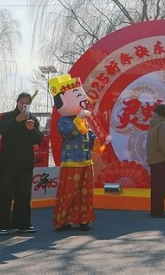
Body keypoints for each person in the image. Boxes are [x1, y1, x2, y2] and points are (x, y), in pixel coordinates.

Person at [49, 73, 108, 232]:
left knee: (85, 193)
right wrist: (78, 120)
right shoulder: (64, 121)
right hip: (71, 162)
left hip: (86, 161)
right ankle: (64, 220)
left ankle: (84, 220)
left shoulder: (82, 119)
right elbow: (68, 133)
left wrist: (99, 140)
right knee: (69, 191)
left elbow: (88, 136)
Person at [0, 92, 43, 235]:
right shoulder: (8, 116)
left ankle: (22, 224)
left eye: (27, 104)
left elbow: (38, 139)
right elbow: (1, 129)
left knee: (23, 195)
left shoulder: (32, 120)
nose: (24, 106)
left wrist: (31, 129)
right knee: (4, 193)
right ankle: (2, 225)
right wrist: (16, 120)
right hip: (7, 162)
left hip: (25, 163)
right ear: (17, 102)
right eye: (22, 103)